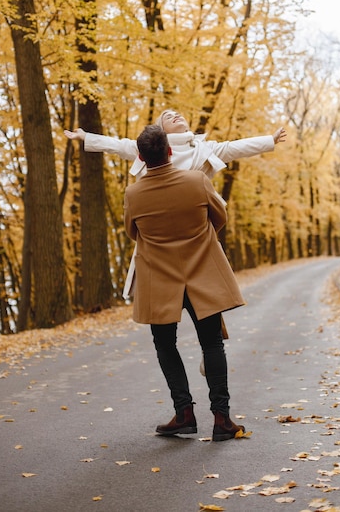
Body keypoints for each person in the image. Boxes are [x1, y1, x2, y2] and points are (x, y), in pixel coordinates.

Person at [64, 110, 287, 299]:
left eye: (177, 114)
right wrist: (86, 137)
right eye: (168, 117)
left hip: (194, 230)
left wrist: (270, 140)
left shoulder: (204, 148)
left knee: (207, 310)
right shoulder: (148, 148)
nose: (175, 115)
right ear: (161, 132)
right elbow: (118, 145)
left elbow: (234, 147)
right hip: (162, 229)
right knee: (164, 315)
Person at [123, 124, 246, 441]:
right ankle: (222, 418)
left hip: (159, 279)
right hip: (202, 273)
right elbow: (220, 217)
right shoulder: (196, 181)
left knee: (165, 344)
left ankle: (184, 413)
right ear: (169, 151)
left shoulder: (134, 193)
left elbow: (132, 233)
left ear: (141, 156)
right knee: (212, 343)